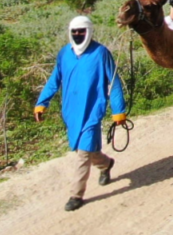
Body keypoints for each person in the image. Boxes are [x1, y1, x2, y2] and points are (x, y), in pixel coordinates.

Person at [34, 16, 127, 212]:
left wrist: (118, 110)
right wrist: (42, 103)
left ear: (89, 32)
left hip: (93, 110)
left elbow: (114, 82)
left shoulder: (101, 53)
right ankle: (106, 164)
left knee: (83, 154)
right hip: (71, 111)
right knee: (85, 150)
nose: (78, 35)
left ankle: (76, 195)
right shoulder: (64, 54)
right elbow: (54, 79)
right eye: (74, 31)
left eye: (81, 31)